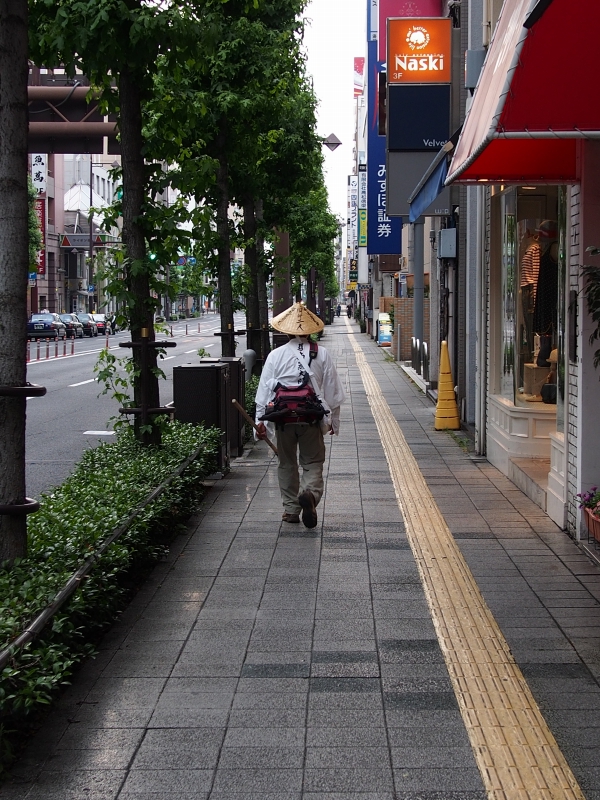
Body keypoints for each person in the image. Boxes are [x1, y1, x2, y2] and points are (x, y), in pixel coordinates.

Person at [255, 302, 346, 528]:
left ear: (286, 331)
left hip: (283, 418)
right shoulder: (321, 353)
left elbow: (264, 391)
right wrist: (334, 420)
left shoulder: (276, 355)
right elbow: (333, 391)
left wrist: (259, 421)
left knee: (286, 463)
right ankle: (310, 495)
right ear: (310, 330)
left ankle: (291, 510)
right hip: (310, 417)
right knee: (313, 461)